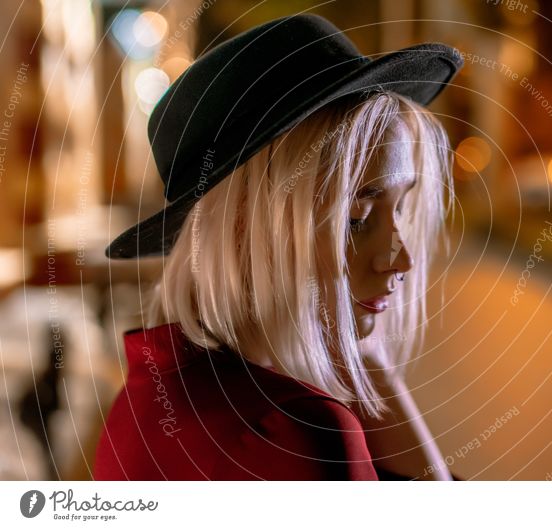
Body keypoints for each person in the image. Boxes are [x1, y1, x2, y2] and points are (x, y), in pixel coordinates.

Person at [93, 13, 462, 480]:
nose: (401, 259)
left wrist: (368, 360)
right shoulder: (292, 430)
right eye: (357, 220)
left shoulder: (152, 389)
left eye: (401, 209)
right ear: (245, 226)